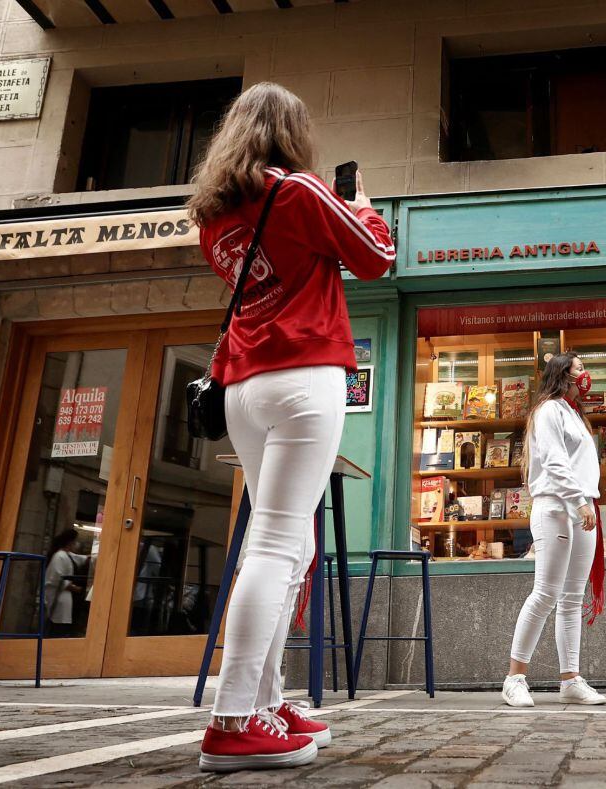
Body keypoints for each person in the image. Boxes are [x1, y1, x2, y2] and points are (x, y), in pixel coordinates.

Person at [187, 82, 395, 772]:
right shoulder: (299, 191)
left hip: (244, 385)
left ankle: (267, 702)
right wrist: (365, 208)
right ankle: (233, 718)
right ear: (291, 132)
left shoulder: (214, 215)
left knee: (280, 546)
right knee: (280, 545)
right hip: (305, 374)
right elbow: (375, 259)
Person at [503, 352, 606, 708]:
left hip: (583, 507)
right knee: (546, 593)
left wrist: (585, 504)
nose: (585, 373)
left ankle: (570, 679)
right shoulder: (548, 411)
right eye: (579, 368)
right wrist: (579, 502)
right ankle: (514, 679)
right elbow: (555, 461)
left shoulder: (573, 414)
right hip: (558, 507)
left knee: (572, 598)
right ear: (563, 374)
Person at [44, 528, 89, 639]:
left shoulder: (67, 555)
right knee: (58, 627)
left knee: (63, 626)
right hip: (60, 598)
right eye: (75, 541)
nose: (77, 544)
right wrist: (75, 588)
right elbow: (57, 578)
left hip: (66, 598)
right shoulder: (59, 556)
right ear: (70, 542)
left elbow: (81, 558)